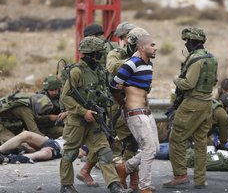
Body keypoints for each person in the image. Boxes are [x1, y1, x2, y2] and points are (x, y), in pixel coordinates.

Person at [59, 36, 129, 193]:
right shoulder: (76, 72)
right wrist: (83, 112)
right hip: (77, 121)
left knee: (104, 152)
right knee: (70, 153)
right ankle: (66, 185)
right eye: (99, 53)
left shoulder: (99, 72)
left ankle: (114, 185)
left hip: (96, 120)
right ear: (91, 54)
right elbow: (65, 97)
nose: (102, 56)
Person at [163, 27, 218, 189]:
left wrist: (175, 80)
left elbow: (188, 83)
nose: (186, 44)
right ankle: (200, 180)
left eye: (187, 41)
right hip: (207, 104)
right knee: (201, 142)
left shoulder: (195, 60)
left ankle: (180, 175)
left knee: (176, 138)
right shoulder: (211, 58)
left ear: (193, 41)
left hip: (192, 104)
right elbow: (213, 81)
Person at [110, 35, 159, 193]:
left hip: (146, 112)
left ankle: (125, 168)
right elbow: (114, 86)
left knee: (155, 148)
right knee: (149, 149)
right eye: (152, 45)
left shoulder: (148, 65)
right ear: (141, 48)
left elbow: (144, 92)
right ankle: (144, 187)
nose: (155, 47)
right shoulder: (131, 63)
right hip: (135, 112)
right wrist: (123, 105)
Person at [35, 75, 67, 139]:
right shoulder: (42, 99)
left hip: (59, 123)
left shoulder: (62, 95)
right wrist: (49, 117)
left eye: (56, 89)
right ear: (47, 90)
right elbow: (35, 118)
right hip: (44, 127)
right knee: (64, 132)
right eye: (51, 90)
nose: (54, 92)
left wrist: (65, 113)